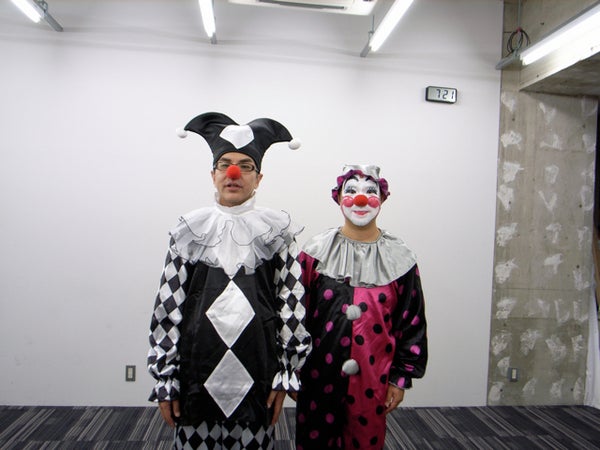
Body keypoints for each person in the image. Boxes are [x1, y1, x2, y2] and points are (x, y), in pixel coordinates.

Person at [147, 112, 312, 449]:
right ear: (213, 174)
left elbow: (291, 303)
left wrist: (285, 373)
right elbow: (168, 307)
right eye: (225, 164)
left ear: (258, 178)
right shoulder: (189, 230)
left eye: (245, 166)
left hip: (257, 371)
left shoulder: (276, 232)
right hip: (196, 370)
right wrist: (165, 379)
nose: (233, 173)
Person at [295, 164, 428, 450]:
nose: (360, 199)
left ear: (382, 198)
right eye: (352, 190)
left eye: (370, 191)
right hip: (318, 375)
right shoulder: (315, 251)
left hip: (373, 377)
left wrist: (400, 378)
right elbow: (296, 314)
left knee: (365, 442)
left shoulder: (400, 258)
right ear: (338, 197)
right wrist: (292, 368)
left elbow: (411, 321)